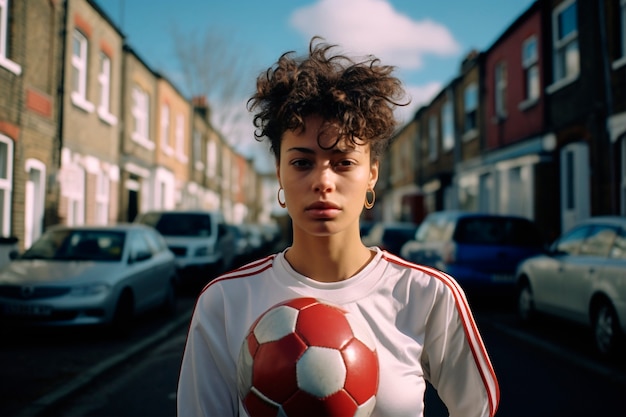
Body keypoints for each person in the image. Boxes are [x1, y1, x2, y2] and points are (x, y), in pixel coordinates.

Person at [177, 37, 500, 417]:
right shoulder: (225, 302)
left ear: (371, 176)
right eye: (301, 162)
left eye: (343, 162)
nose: (323, 181)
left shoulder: (428, 295)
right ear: (279, 172)